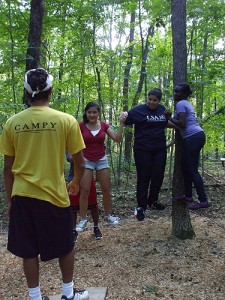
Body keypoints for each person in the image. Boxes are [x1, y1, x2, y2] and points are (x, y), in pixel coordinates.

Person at [0, 68, 89, 300]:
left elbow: (8, 170)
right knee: (66, 245)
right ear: (50, 91)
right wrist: (76, 182)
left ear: (26, 93)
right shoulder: (65, 120)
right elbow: (80, 162)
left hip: (22, 196)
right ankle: (68, 294)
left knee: (28, 250)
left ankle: (35, 297)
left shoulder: (12, 123)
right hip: (54, 196)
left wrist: (11, 200)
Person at [124, 88, 176, 221]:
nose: (152, 102)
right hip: (142, 149)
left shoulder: (162, 109)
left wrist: (178, 123)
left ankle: (152, 201)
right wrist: (122, 115)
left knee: (158, 176)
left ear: (159, 101)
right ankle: (141, 207)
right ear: (147, 98)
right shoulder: (138, 110)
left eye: (155, 100)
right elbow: (125, 119)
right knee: (143, 177)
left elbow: (166, 123)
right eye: (150, 99)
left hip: (159, 149)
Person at [76, 102, 127, 232]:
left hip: (101, 159)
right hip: (86, 160)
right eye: (89, 112)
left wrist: (121, 123)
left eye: (95, 112)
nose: (92, 115)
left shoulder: (104, 125)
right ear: (86, 113)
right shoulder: (80, 126)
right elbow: (73, 142)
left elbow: (117, 138)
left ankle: (108, 215)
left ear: (98, 113)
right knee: (85, 190)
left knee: (106, 189)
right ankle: (82, 219)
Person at [164, 82, 209, 210]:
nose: (175, 94)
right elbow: (176, 125)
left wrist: (169, 118)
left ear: (184, 94)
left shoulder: (181, 103)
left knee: (192, 169)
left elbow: (182, 124)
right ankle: (188, 195)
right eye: (174, 91)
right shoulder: (184, 104)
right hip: (195, 136)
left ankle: (203, 200)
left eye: (178, 92)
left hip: (193, 137)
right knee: (185, 167)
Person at [66, 152, 102, 240]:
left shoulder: (86, 141)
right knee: (73, 207)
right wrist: (81, 157)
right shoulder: (69, 144)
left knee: (93, 204)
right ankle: (73, 231)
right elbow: (69, 158)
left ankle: (96, 228)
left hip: (88, 177)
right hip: (73, 178)